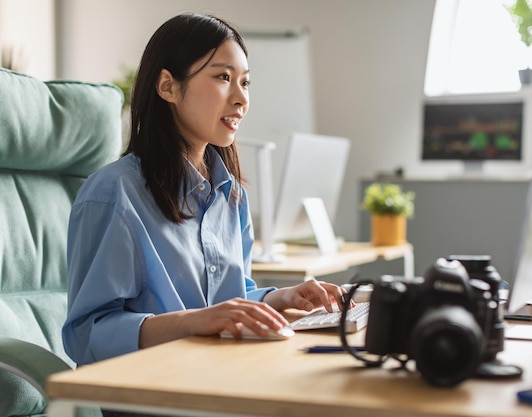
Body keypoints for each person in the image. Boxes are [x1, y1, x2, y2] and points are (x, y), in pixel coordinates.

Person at [62, 12, 349, 369]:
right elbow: (86, 335)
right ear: (167, 86)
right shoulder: (114, 193)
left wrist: (282, 297)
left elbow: (229, 301)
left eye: (245, 82)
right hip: (150, 393)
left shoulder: (231, 195)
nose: (241, 98)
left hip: (220, 373)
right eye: (223, 77)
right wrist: (193, 322)